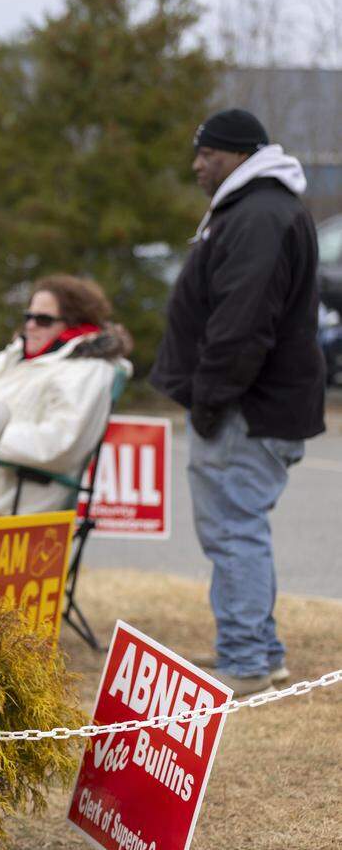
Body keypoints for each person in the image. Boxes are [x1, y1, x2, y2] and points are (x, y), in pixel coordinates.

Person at [150, 108, 324, 697]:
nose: (197, 164)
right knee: (238, 527)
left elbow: (242, 323)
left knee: (234, 529)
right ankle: (255, 650)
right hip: (250, 405)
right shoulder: (257, 208)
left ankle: (247, 659)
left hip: (243, 410)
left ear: (242, 154)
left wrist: (209, 401)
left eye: (209, 154)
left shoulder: (258, 214)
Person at [0, 274, 132, 519]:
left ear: (75, 325)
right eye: (28, 317)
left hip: (12, 503)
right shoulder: (8, 359)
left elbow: (58, 444)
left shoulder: (87, 371)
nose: (31, 326)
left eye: (44, 319)